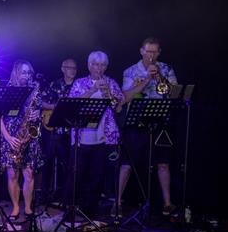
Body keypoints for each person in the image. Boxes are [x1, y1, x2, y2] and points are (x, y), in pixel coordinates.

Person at [118, 37, 179, 216]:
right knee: (127, 164)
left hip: (160, 121)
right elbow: (126, 97)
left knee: (163, 163)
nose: (151, 55)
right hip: (136, 122)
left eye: (154, 52)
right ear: (141, 51)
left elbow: (174, 94)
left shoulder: (166, 69)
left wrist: (159, 76)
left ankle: (167, 203)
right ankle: (118, 202)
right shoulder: (130, 71)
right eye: (148, 51)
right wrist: (146, 80)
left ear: (159, 53)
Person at [65, 51, 124, 219]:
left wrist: (107, 94)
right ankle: (72, 208)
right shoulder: (79, 83)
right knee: (77, 173)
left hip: (103, 137)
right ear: (89, 65)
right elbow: (72, 105)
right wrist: (92, 90)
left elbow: (118, 107)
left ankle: (90, 209)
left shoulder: (111, 83)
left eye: (103, 65)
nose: (100, 68)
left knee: (97, 175)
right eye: (96, 64)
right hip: (81, 137)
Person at [0, 60, 45, 221]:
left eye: (28, 73)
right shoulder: (7, 90)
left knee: (29, 174)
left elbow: (39, 111)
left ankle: (28, 208)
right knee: (12, 174)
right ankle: (16, 207)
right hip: (11, 136)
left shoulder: (35, 90)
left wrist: (37, 114)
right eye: (23, 72)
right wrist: (8, 138)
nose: (26, 76)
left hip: (28, 137)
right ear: (16, 72)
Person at [40, 58, 78, 203]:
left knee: (68, 164)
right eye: (69, 67)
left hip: (70, 131)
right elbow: (41, 102)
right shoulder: (53, 84)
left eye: (75, 68)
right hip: (53, 129)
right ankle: (44, 195)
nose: (73, 70)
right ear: (63, 69)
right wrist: (56, 107)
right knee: (47, 162)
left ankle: (65, 196)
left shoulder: (78, 86)